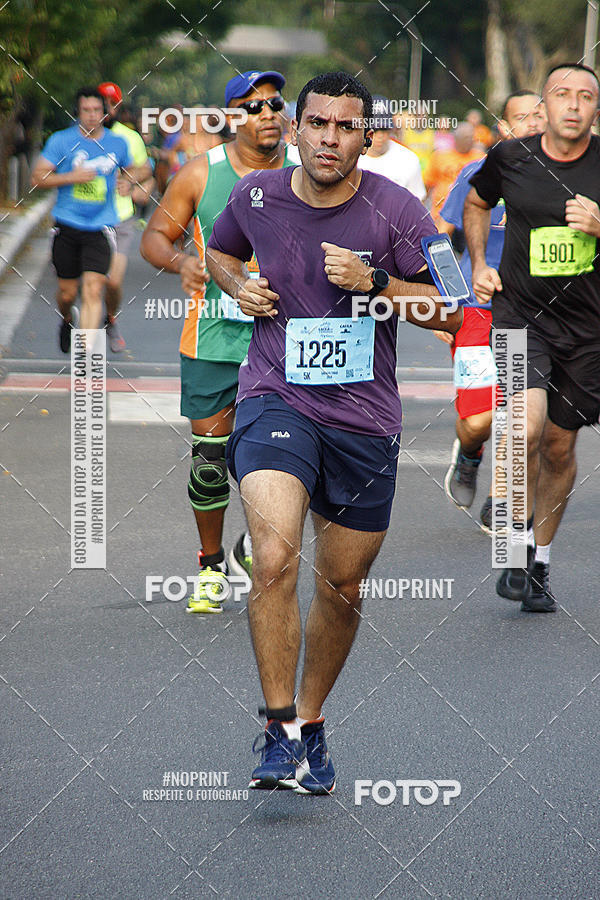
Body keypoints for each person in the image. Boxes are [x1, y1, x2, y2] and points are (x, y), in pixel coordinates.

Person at [205, 72, 463, 793]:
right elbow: (218, 252)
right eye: (316, 123)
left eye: (345, 127)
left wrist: (377, 284)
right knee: (276, 557)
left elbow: (454, 311)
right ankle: (279, 729)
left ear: (367, 138)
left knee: (342, 585)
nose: (328, 137)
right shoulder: (255, 196)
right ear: (294, 130)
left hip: (363, 418)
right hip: (276, 400)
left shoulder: (401, 210)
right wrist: (236, 286)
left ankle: (312, 720)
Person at [140, 70, 298, 614]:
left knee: (284, 455)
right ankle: (210, 567)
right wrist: (183, 261)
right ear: (232, 116)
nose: (268, 113)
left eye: (276, 103)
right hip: (213, 339)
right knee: (210, 459)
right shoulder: (200, 174)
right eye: (254, 107)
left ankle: (259, 547)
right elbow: (155, 236)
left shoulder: (308, 174)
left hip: (289, 341)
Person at [465, 63, 600, 613]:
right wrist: (478, 261)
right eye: (562, 95)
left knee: (560, 446)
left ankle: (539, 561)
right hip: (521, 315)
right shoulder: (512, 158)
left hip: (589, 330)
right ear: (543, 106)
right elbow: (477, 202)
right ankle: (511, 547)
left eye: (586, 97)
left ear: (596, 109)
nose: (573, 105)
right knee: (523, 427)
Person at [439, 91, 546, 530]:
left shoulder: (567, 179)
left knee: (517, 415)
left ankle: (501, 501)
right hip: (476, 309)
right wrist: (444, 304)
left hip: (535, 314)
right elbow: (437, 237)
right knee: (481, 420)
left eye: (541, 114)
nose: (535, 123)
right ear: (505, 129)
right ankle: (468, 453)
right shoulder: (477, 173)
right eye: (524, 118)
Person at [31, 87, 146, 351]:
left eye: (97, 110)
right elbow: (37, 178)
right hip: (67, 224)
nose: (92, 116)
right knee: (67, 293)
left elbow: (140, 167)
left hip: (102, 226)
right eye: (86, 110)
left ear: (105, 113)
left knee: (94, 290)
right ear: (77, 112)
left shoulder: (117, 143)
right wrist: (72, 177)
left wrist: (129, 181)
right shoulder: (61, 141)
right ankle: (67, 318)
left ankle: (84, 353)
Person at [98, 82, 153, 352]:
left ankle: (109, 318)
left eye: (111, 103)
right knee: (85, 285)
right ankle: (85, 345)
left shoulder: (129, 137)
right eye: (102, 103)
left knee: (113, 282)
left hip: (119, 219)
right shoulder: (78, 137)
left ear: (117, 107)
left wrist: (128, 179)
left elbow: (146, 169)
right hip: (85, 222)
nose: (106, 108)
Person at [358, 96, 426, 200]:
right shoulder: (351, 158)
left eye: (384, 129)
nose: (380, 135)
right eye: (375, 130)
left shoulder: (408, 160)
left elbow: (418, 204)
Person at [423, 122, 483, 228]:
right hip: (440, 214)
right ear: (455, 139)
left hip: (470, 217)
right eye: (465, 138)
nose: (469, 141)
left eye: (471, 137)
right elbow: (427, 184)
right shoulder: (440, 156)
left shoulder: (480, 158)